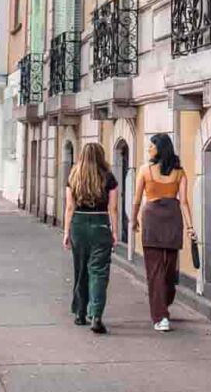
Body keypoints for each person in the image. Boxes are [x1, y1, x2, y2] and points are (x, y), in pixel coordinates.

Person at [131, 133, 195, 333]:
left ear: (160, 148)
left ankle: (163, 302)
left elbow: (184, 201)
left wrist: (190, 227)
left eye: (151, 146)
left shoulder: (166, 171)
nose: (148, 149)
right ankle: (160, 316)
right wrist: (132, 219)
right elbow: (137, 198)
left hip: (161, 220)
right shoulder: (172, 172)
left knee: (165, 271)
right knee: (159, 270)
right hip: (162, 219)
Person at [62, 142, 118, 334]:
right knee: (99, 272)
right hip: (100, 224)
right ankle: (96, 315)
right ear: (101, 156)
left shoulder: (73, 176)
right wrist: (114, 231)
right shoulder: (108, 177)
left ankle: (80, 312)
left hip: (79, 225)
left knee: (81, 269)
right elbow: (113, 208)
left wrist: (66, 232)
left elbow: (70, 207)